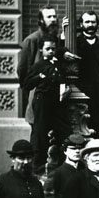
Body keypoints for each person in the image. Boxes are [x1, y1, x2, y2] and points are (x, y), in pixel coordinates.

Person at [23, 36, 68, 169]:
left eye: (53, 49)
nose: (51, 51)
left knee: (63, 129)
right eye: (47, 49)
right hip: (42, 101)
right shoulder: (38, 66)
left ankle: (61, 162)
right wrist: (39, 77)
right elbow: (26, 84)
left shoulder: (57, 64)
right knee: (40, 132)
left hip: (56, 102)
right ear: (41, 50)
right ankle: (38, 165)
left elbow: (62, 79)